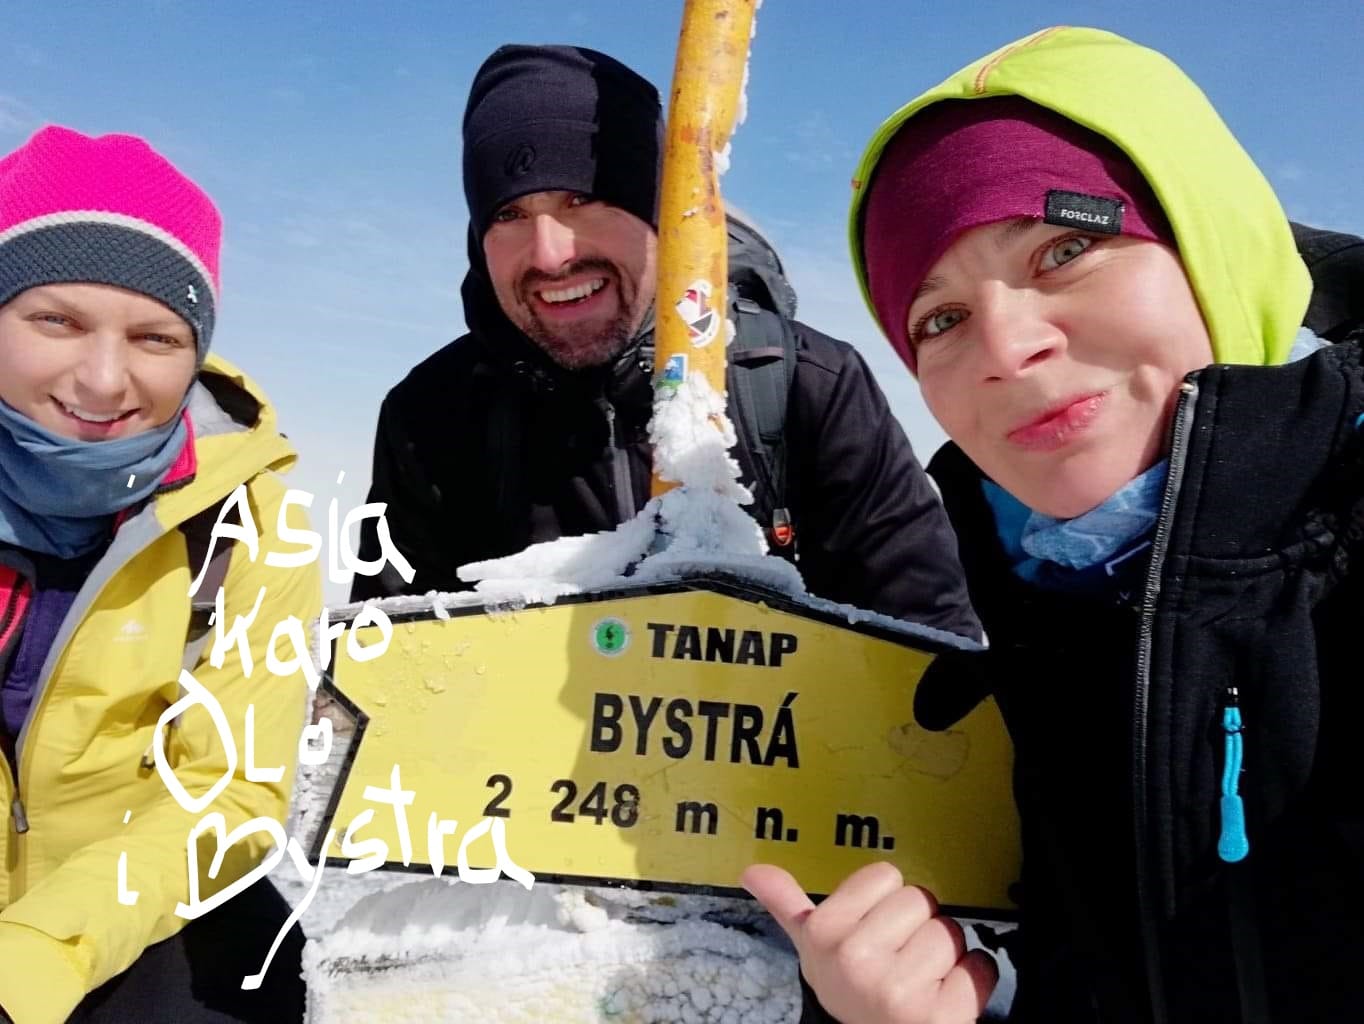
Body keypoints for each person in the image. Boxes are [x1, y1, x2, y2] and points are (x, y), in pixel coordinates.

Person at [744, 25, 1364, 1024]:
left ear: (1211, 242)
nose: (1005, 346)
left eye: (1066, 248)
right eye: (939, 319)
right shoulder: (1023, 653)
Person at [350, 43, 979, 641]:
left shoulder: (806, 383)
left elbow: (928, 655)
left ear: (659, 211)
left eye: (583, 199)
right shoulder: (434, 416)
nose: (549, 254)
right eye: (508, 215)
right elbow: (386, 669)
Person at [0, 126, 319, 1022]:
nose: (105, 381)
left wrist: (41, 950)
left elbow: (234, 790)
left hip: (128, 910)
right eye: (57, 320)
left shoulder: (250, 525)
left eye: (154, 336)